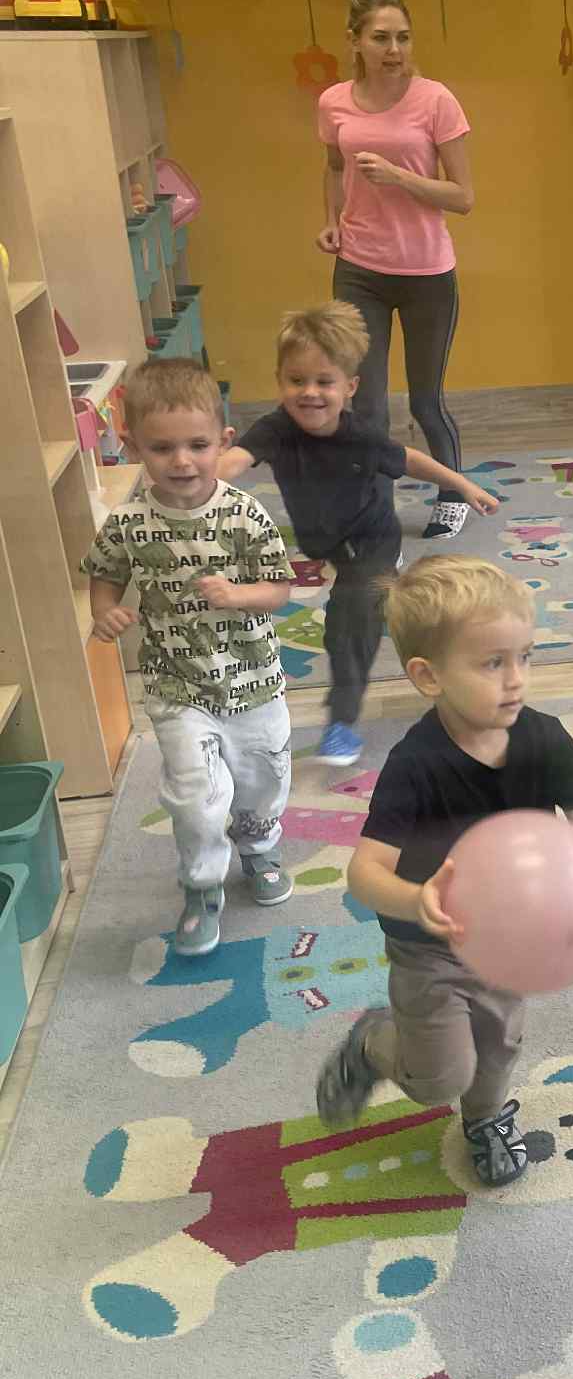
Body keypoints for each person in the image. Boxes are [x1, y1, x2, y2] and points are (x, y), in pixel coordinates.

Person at [314, 558, 573, 1187]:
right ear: (428, 676)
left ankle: (485, 1118)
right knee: (439, 1080)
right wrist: (416, 899)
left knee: (499, 1043)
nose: (516, 680)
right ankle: (375, 1042)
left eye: (525, 657)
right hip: (429, 945)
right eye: (492, 663)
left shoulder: (544, 738)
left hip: (512, 937)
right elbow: (364, 871)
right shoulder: (415, 763)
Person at [218, 303, 500, 767]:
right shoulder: (277, 428)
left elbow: (407, 459)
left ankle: (343, 722)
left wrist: (461, 485)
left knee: (348, 625)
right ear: (279, 380)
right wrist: (200, 481)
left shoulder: (359, 436)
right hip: (328, 543)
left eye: (324, 382)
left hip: (372, 541)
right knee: (396, 616)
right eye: (296, 380)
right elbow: (238, 458)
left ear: (349, 387)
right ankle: (431, 647)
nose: (310, 393)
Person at [82, 360, 295, 956]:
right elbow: (105, 576)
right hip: (178, 688)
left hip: (254, 682)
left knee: (263, 782)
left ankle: (259, 850)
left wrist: (238, 596)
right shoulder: (127, 523)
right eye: (162, 447)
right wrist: (105, 611)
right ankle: (201, 886)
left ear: (222, 442)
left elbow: (279, 589)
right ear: (132, 448)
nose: (181, 461)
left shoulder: (244, 513)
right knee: (195, 798)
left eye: (197, 446)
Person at [317, 0, 475, 540]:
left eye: (403, 38)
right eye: (381, 38)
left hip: (427, 273)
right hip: (359, 269)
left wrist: (399, 176)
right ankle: (376, 517)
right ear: (355, 42)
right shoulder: (333, 102)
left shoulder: (436, 101)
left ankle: (452, 493)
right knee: (366, 407)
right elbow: (334, 166)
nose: (394, 50)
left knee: (426, 402)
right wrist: (333, 220)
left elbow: (463, 197)